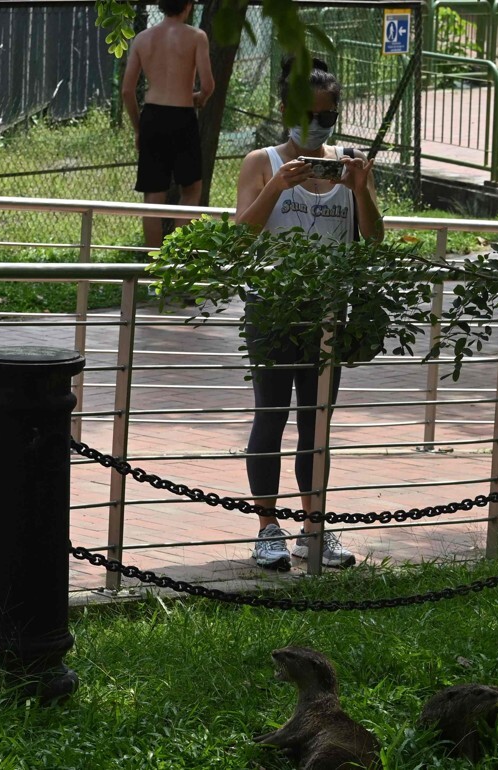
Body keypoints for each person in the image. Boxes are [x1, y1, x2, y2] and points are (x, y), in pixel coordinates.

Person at [232, 57, 383, 571]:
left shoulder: (347, 161)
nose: (316, 126)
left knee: (316, 423)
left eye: (326, 116)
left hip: (327, 315)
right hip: (273, 309)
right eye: (306, 114)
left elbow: (374, 236)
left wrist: (359, 189)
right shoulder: (261, 162)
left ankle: (314, 529)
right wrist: (278, 187)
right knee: (270, 417)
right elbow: (241, 235)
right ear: (285, 110)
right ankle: (267, 527)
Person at [121, 0, 215, 249]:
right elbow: (207, 85)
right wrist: (199, 99)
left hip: (152, 117)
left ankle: (155, 266)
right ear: (188, 6)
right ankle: (177, 262)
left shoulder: (143, 38)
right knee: (191, 190)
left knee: (153, 195)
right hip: (183, 116)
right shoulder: (196, 36)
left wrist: (139, 128)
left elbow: (127, 91)